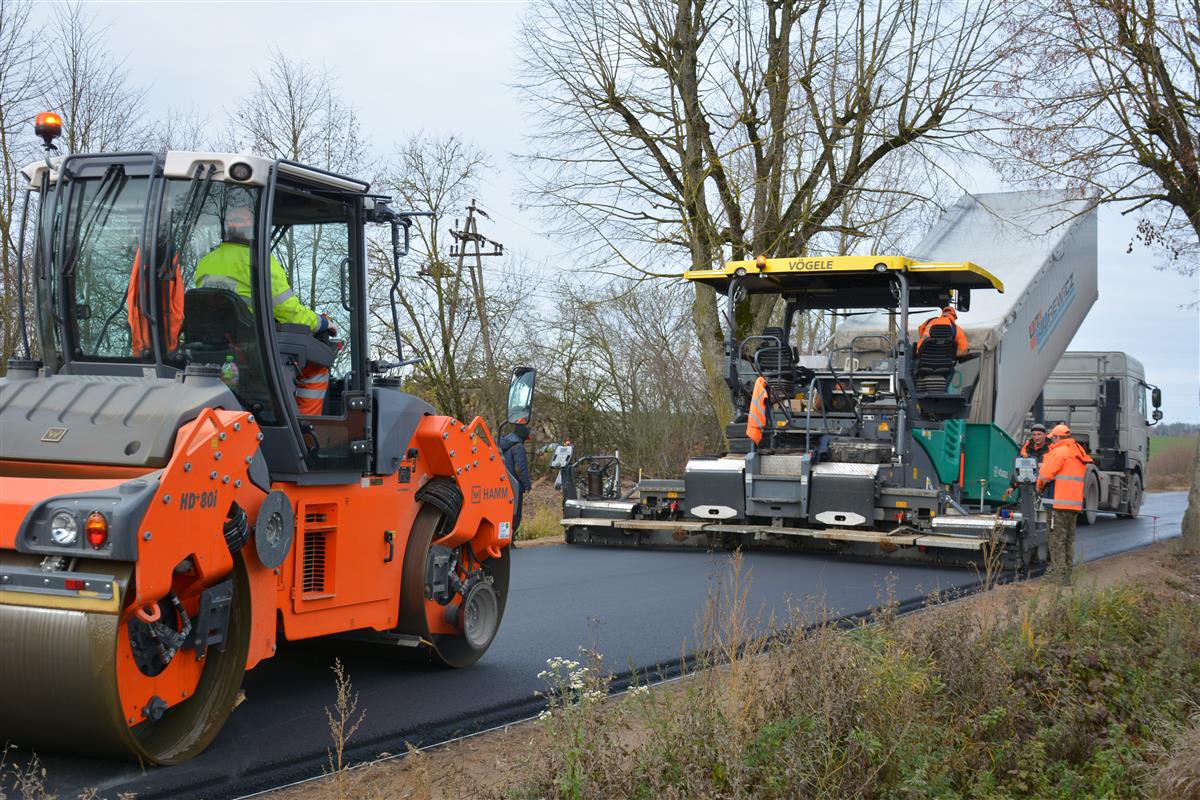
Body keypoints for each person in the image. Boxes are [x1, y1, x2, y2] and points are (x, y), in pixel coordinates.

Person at [193, 202, 333, 415]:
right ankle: (306, 430)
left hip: (213, 348)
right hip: (252, 349)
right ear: (255, 228)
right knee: (318, 363)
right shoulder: (259, 261)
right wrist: (322, 323)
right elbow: (289, 311)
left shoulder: (206, 262)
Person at [1036, 423, 1093, 584]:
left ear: (1057, 437)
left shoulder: (1059, 452)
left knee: (1056, 540)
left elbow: (1045, 475)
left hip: (1057, 505)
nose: (1051, 441)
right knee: (1068, 539)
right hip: (1073, 505)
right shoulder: (1077, 451)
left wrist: (1038, 487)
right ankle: (1067, 575)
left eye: (1052, 438)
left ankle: (1059, 576)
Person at [499, 424, 532, 539]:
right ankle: (510, 539)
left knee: (503, 513)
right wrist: (527, 485)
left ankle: (502, 538)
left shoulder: (501, 444)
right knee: (515, 514)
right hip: (514, 486)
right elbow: (519, 469)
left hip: (500, 485)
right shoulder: (518, 447)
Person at [1002, 423, 1050, 500]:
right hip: (1028, 486)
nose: (1036, 437)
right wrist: (1012, 486)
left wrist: (1044, 466)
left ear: (1045, 435)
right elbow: (1018, 469)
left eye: (1039, 434)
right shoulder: (1025, 449)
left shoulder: (1052, 449)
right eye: (1034, 435)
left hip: (1046, 487)